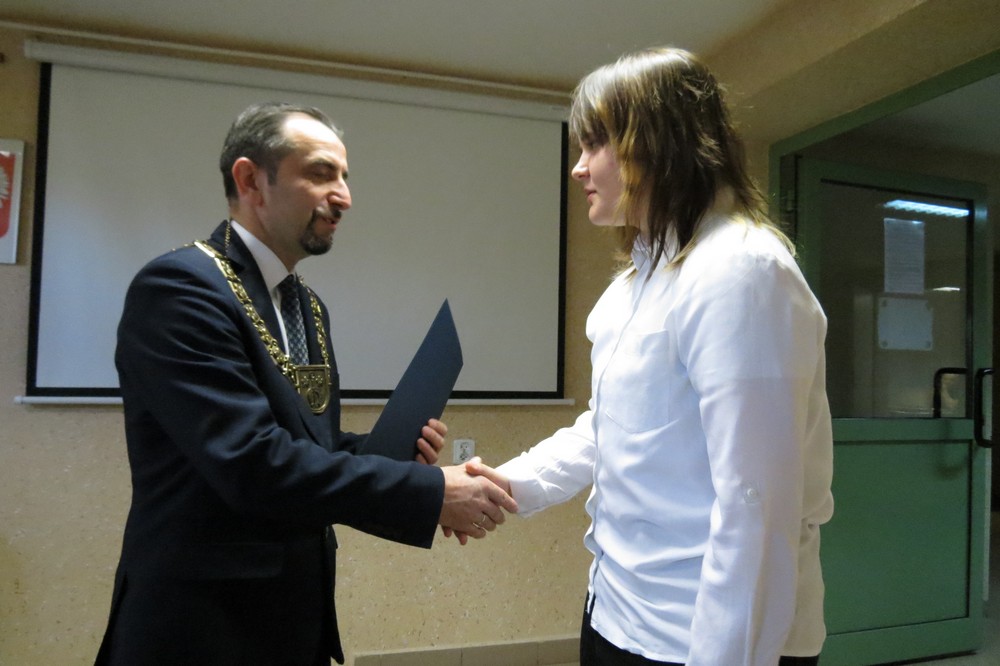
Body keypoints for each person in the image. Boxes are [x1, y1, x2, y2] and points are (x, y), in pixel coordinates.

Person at [95, 102, 517, 666]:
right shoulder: (181, 288)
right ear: (251, 180)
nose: (343, 196)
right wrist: (431, 492)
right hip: (201, 627)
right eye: (320, 173)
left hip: (292, 619)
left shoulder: (305, 305)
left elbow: (307, 447)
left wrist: (389, 456)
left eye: (344, 176)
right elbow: (253, 464)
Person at [463, 48, 834, 665]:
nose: (578, 168)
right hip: (615, 609)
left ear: (657, 143)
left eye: (595, 144)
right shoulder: (635, 283)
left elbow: (756, 504)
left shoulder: (740, 270)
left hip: (697, 638)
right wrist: (508, 486)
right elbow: (610, 428)